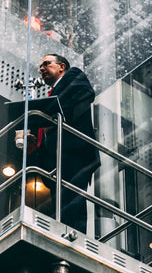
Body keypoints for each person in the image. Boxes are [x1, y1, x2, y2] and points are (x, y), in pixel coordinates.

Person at [25, 53, 99, 233]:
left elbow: (86, 94)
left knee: (73, 202)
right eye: (40, 66)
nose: (42, 68)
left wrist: (58, 120)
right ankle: (66, 234)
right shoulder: (52, 94)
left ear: (61, 67)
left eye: (47, 64)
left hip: (74, 152)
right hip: (56, 159)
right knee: (62, 204)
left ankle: (75, 239)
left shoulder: (72, 75)